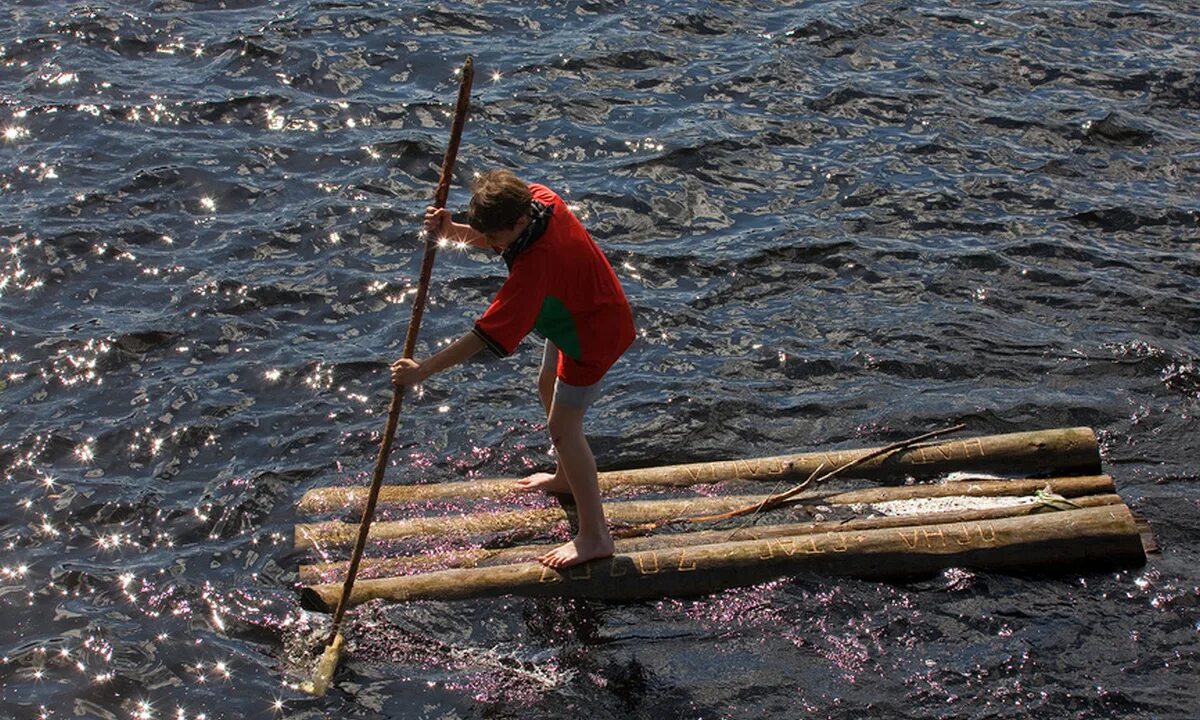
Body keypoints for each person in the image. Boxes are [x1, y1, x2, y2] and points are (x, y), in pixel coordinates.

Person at [390, 169, 635, 569]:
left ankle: (595, 536)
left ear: (518, 223)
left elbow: (482, 337)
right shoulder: (539, 197)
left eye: (498, 239)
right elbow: (493, 234)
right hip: (576, 305)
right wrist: (451, 229)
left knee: (564, 427)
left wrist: (421, 371)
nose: (493, 246)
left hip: (592, 335)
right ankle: (565, 478)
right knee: (545, 385)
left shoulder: (535, 268)